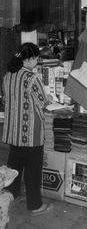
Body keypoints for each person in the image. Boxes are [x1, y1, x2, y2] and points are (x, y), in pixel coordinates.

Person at [2, 42, 53, 216]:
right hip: (31, 133)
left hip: (14, 132)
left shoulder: (8, 75)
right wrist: (50, 97)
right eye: (37, 58)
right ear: (30, 58)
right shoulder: (32, 78)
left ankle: (10, 196)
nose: (37, 62)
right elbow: (44, 102)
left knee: (14, 168)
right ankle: (35, 205)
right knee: (32, 171)